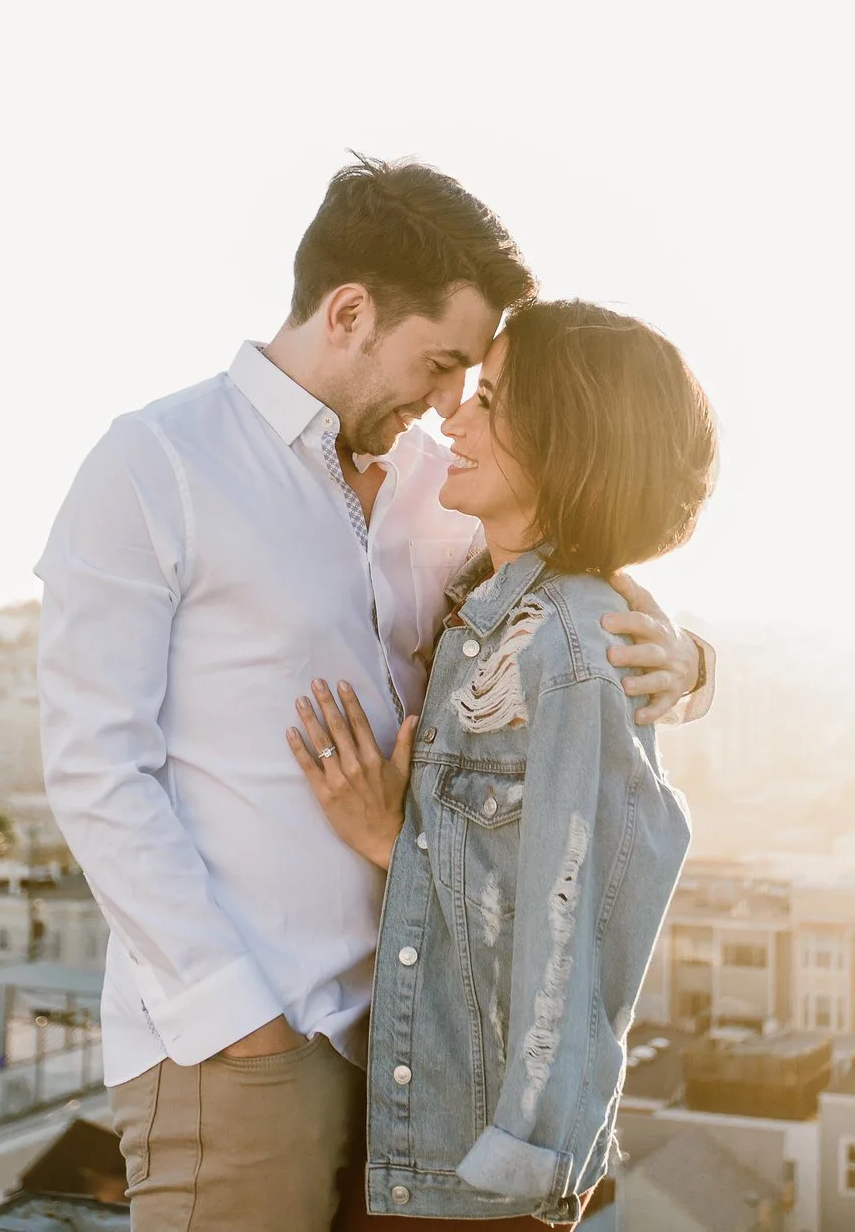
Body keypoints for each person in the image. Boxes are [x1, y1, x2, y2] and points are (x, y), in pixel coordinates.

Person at [38, 159, 718, 1232]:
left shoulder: (426, 484)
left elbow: (570, 574)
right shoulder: (155, 463)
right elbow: (94, 767)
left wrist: (690, 661)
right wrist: (238, 1019)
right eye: (442, 361)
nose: (450, 402)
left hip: (414, 1047)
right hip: (251, 1041)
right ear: (349, 312)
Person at [292, 299, 713, 1227]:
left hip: (477, 1177)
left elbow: (572, 924)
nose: (455, 416)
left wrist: (388, 841)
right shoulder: (494, 615)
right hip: (427, 1147)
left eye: (492, 398)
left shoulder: (565, 651)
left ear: (571, 440)